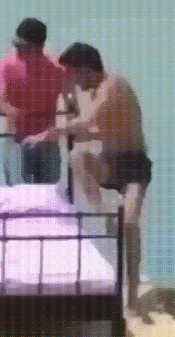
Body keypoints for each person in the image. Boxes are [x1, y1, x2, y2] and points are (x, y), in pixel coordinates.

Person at [22, 42, 152, 309]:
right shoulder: (94, 91)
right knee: (77, 157)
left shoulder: (112, 85)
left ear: (85, 69)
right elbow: (96, 130)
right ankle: (105, 213)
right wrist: (67, 108)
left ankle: (133, 288)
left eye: (72, 73)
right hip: (110, 164)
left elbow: (88, 122)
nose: (70, 79)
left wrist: (52, 132)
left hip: (134, 167)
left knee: (129, 224)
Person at [0, 18, 65, 185]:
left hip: (46, 142)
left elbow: (71, 101)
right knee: (18, 193)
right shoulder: (6, 65)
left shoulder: (56, 69)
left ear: (40, 46)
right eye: (16, 46)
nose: (19, 51)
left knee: (48, 194)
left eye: (24, 47)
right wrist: (11, 112)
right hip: (17, 140)